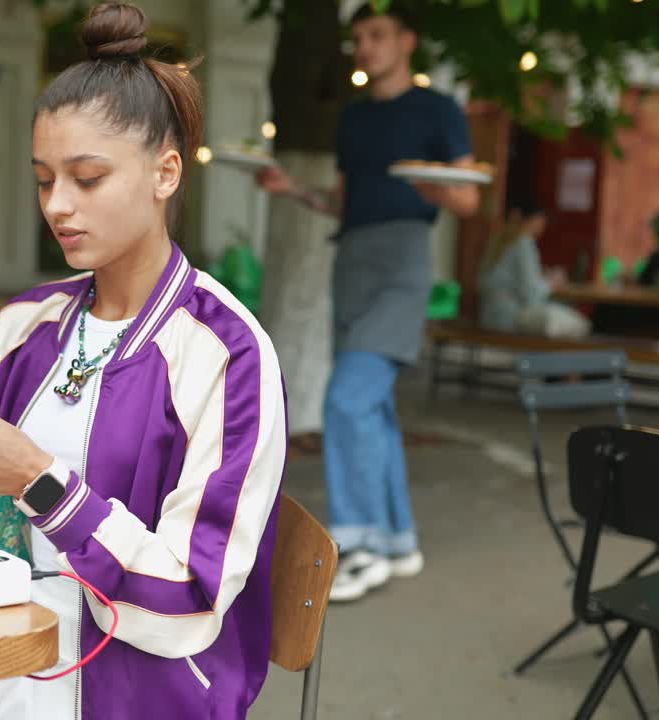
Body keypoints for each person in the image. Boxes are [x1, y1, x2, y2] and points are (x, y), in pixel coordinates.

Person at [0, 4, 286, 719]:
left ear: (166, 173)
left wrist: (44, 485)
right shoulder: (30, 323)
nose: (58, 206)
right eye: (45, 180)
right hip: (6, 641)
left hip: (131, 684)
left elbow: (190, 597)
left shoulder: (225, 352)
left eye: (88, 177)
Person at [256, 5, 479, 602]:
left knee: (348, 400)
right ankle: (399, 540)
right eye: (359, 38)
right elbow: (343, 203)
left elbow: (468, 202)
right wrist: (291, 189)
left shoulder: (438, 109)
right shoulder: (353, 122)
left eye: (377, 35)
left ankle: (358, 546)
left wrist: (436, 185)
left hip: (403, 264)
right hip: (351, 262)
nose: (366, 47)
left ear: (407, 41)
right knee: (372, 408)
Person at [479, 196, 590, 339]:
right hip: (510, 318)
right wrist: (551, 283)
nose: (543, 226)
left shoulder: (498, 240)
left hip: (488, 316)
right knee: (581, 324)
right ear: (535, 220)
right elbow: (531, 294)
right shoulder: (523, 243)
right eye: (542, 220)